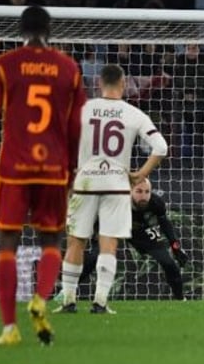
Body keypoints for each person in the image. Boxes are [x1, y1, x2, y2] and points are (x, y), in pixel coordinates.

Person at [0, 5, 87, 346]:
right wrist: (72, 167)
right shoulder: (69, 67)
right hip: (53, 168)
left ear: (20, 30)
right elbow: (76, 125)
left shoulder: (4, 65)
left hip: (13, 169)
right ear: (50, 31)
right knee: (51, 241)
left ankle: (9, 329)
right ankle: (40, 298)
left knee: (7, 242)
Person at [57, 64, 168, 314]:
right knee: (109, 243)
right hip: (117, 185)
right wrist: (140, 174)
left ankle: (68, 302)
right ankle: (100, 303)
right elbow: (161, 147)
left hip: (84, 183)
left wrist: (68, 175)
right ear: (123, 84)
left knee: (76, 241)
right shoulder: (133, 113)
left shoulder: (82, 109)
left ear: (98, 83)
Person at [56, 178, 189, 303]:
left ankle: (180, 299)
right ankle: (66, 291)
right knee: (94, 257)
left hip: (139, 230)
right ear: (130, 190)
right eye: (139, 191)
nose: (143, 196)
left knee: (168, 262)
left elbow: (165, 223)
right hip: (113, 225)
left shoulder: (156, 202)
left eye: (147, 192)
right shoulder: (116, 200)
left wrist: (175, 247)